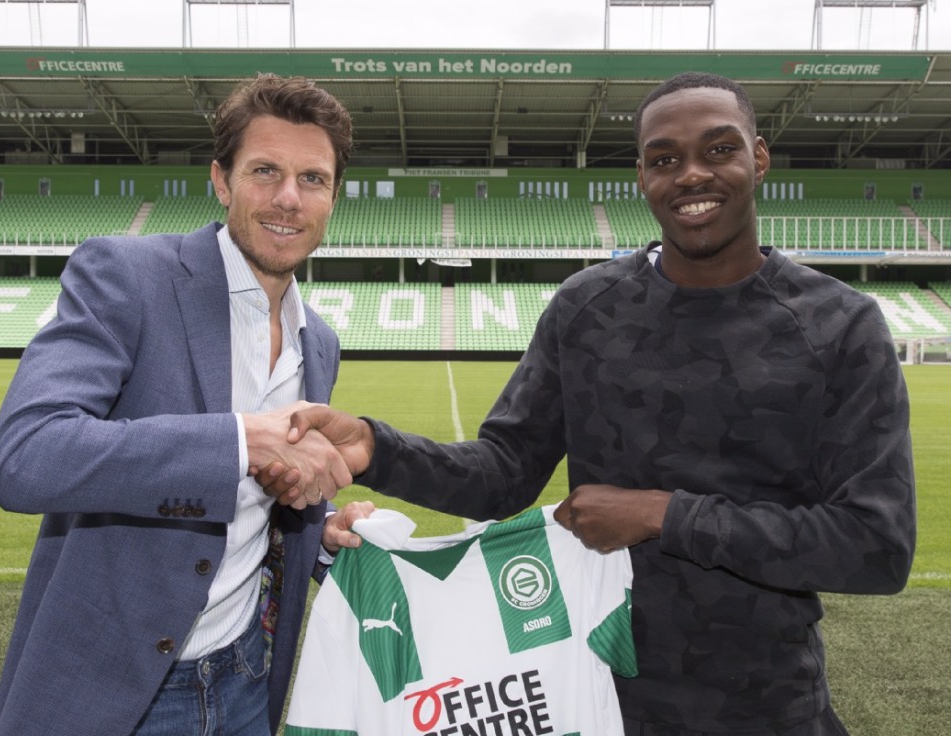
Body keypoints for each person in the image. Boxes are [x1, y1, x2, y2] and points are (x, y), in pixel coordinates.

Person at [262, 72, 917, 735]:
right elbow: (503, 473)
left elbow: (876, 545)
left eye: (719, 149)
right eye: (665, 159)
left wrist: (663, 514)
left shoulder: (840, 325)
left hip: (769, 706)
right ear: (642, 176)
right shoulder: (587, 307)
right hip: (596, 698)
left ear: (760, 157)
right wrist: (375, 447)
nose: (692, 174)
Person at [0, 74, 373, 736]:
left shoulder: (320, 342)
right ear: (221, 181)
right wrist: (239, 441)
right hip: (121, 688)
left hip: (246, 677)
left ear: (332, 198)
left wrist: (323, 530)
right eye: (265, 171)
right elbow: (27, 456)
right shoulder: (126, 276)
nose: (289, 197)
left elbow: (263, 499)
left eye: (312, 179)